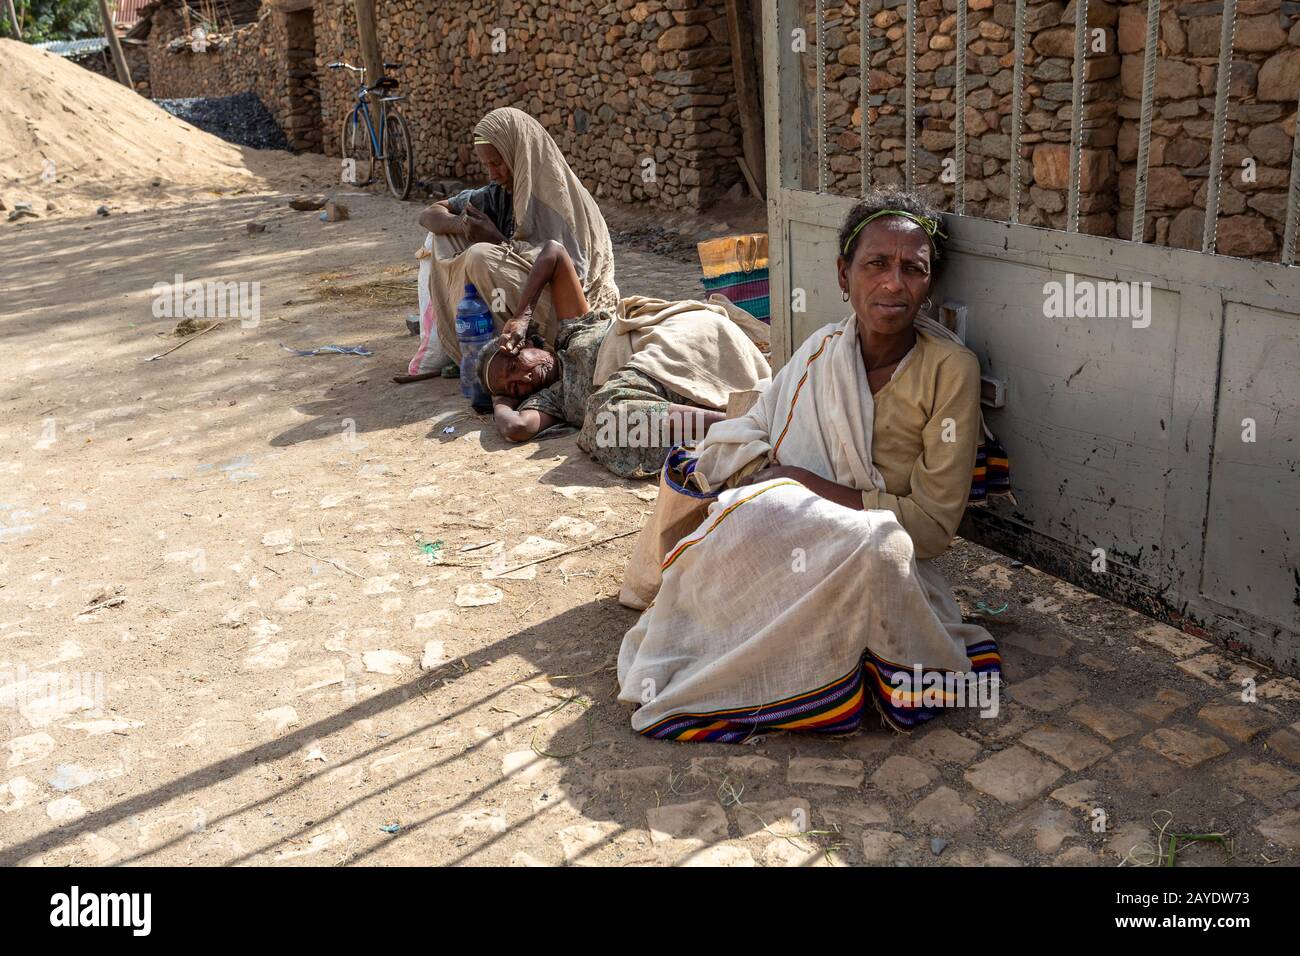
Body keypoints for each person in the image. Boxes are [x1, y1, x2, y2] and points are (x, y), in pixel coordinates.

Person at [616, 187, 1001, 741]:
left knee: (881, 549)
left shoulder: (950, 370)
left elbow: (934, 530)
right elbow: (753, 431)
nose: (894, 282)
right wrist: (765, 477)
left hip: (865, 543)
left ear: (929, 283)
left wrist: (802, 482)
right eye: (876, 264)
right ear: (844, 276)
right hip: (785, 526)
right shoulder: (823, 350)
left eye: (913, 269)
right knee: (734, 505)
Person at [476, 241, 771, 479]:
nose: (524, 379)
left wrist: (521, 315)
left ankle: (744, 424)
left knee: (605, 412)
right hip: (667, 380)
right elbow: (516, 428)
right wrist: (500, 399)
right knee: (607, 421)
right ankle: (738, 424)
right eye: (515, 388)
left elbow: (554, 252)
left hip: (681, 335)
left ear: (524, 343)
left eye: (515, 365)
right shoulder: (552, 400)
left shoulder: (573, 329)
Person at [397, 107, 620, 383]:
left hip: (571, 316)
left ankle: (524, 350)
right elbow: (428, 214)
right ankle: (469, 349)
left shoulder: (562, 200)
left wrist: (496, 241)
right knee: (440, 238)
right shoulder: (500, 192)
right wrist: (462, 225)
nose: (493, 173)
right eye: (487, 165)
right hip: (525, 306)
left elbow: (569, 274)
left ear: (519, 153)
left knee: (480, 255)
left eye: (498, 163)